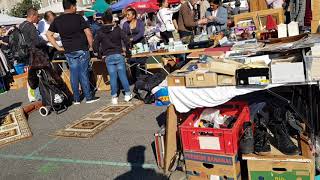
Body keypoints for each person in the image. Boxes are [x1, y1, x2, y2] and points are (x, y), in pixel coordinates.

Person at [46, 0, 99, 104]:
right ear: (72, 6)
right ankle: (88, 97)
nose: (76, 8)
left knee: (74, 74)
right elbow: (88, 33)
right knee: (83, 73)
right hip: (82, 49)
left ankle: (76, 99)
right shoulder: (78, 17)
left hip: (69, 51)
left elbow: (48, 34)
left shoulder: (57, 20)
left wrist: (57, 47)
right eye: (75, 6)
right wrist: (92, 46)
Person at [93, 10, 132, 105]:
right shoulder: (117, 29)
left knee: (113, 77)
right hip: (118, 54)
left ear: (102, 20)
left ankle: (114, 96)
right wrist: (127, 52)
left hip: (108, 56)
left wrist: (99, 55)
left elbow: (95, 45)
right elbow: (127, 40)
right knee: (122, 75)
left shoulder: (100, 31)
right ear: (112, 19)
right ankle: (127, 94)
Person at [122, 8, 146, 81]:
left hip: (140, 45)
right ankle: (135, 80)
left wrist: (133, 39)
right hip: (130, 46)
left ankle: (143, 79)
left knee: (142, 62)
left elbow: (141, 33)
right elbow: (123, 35)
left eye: (128, 15)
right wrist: (124, 46)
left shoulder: (140, 22)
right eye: (126, 15)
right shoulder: (125, 24)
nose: (127, 16)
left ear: (133, 15)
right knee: (132, 63)